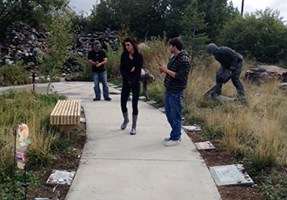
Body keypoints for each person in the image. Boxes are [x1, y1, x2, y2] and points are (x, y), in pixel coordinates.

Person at [159, 37, 191, 146]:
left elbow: (181, 77)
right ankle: (175, 134)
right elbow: (171, 70)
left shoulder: (184, 60)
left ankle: (176, 138)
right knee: (168, 114)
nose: (169, 48)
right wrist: (164, 69)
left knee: (175, 115)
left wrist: (166, 70)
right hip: (169, 90)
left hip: (176, 91)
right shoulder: (174, 58)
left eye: (170, 46)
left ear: (174, 46)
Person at [120, 37, 144, 135]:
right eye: (125, 45)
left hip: (135, 82)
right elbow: (122, 69)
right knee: (122, 103)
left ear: (133, 45)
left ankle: (134, 126)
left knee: (134, 104)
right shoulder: (124, 55)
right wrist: (128, 78)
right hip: (126, 81)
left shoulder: (139, 56)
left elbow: (138, 71)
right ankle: (126, 120)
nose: (127, 47)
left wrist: (133, 79)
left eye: (128, 45)